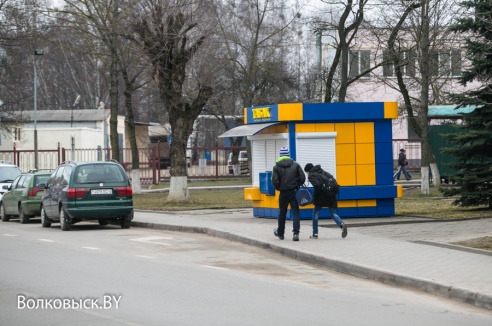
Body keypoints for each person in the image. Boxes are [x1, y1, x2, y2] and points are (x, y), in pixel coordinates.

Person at [304, 163, 347, 239]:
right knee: (333, 213)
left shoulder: (312, 175)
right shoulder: (323, 171)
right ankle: (341, 224)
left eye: (306, 172)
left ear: (308, 171)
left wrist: (314, 197)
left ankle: (315, 234)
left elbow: (317, 185)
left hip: (321, 196)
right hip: (331, 194)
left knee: (315, 213)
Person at [272, 147, 305, 241]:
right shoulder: (295, 165)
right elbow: (302, 178)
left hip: (283, 192)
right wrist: (297, 185)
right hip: (294, 191)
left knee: (282, 213)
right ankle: (295, 234)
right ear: (288, 155)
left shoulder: (276, 167)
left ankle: (281, 233)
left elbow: (275, 181)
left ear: (281, 155)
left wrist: (279, 188)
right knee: (295, 212)